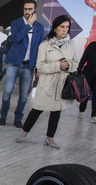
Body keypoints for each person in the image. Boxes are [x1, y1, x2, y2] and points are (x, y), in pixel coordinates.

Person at [16, 15, 77, 149]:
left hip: (62, 83)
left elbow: (75, 63)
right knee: (37, 109)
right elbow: (40, 66)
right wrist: (57, 66)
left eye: (67, 27)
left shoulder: (71, 44)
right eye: (62, 27)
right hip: (47, 83)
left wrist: (69, 66)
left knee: (56, 112)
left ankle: (50, 138)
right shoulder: (45, 45)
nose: (64, 30)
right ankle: (24, 132)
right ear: (55, 28)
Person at [0, 0, 45, 127]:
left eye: (30, 9)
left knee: (24, 96)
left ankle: (18, 118)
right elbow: (16, 39)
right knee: (7, 92)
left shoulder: (40, 28)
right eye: (25, 9)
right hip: (13, 63)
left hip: (28, 66)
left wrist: (38, 66)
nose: (27, 11)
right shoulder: (16, 23)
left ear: (35, 10)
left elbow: (39, 47)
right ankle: (3, 115)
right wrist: (28, 25)